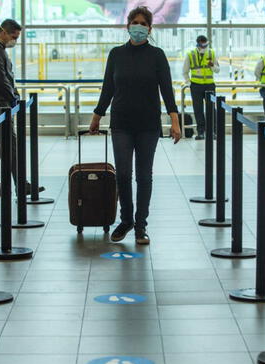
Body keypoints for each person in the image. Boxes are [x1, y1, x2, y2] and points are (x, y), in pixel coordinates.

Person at [90, 6, 181, 245]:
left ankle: (141, 225)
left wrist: (174, 120)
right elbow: (108, 88)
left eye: (143, 23)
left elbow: (167, 90)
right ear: (128, 25)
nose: (138, 26)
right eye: (135, 22)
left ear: (149, 28)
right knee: (122, 174)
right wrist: (97, 115)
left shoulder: (157, 55)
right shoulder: (116, 54)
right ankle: (126, 219)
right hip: (121, 123)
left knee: (144, 176)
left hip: (148, 124)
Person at [0, 19, 43, 197]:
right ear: (3, 32)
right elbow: (0, 80)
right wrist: (13, 99)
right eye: (13, 36)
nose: (15, 40)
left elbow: (5, 78)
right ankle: (21, 185)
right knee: (10, 144)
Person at [183, 35, 220, 140]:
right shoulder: (191, 54)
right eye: (202, 45)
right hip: (196, 85)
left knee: (212, 109)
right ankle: (201, 132)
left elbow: (218, 70)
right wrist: (189, 82)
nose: (204, 47)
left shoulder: (211, 53)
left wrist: (212, 65)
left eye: (206, 45)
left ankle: (214, 131)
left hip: (209, 84)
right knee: (198, 110)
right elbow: (185, 71)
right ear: (198, 44)